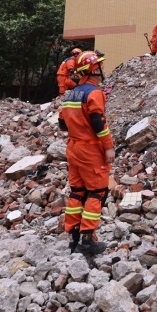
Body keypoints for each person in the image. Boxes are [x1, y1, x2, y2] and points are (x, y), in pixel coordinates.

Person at [59, 50, 114, 256]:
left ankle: (73, 237)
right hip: (90, 149)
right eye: (100, 65)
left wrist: (77, 127)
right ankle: (88, 240)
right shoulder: (94, 93)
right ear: (94, 69)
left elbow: (62, 123)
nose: (103, 68)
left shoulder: (71, 93)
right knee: (97, 192)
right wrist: (108, 147)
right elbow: (99, 122)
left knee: (77, 191)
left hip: (73, 147)